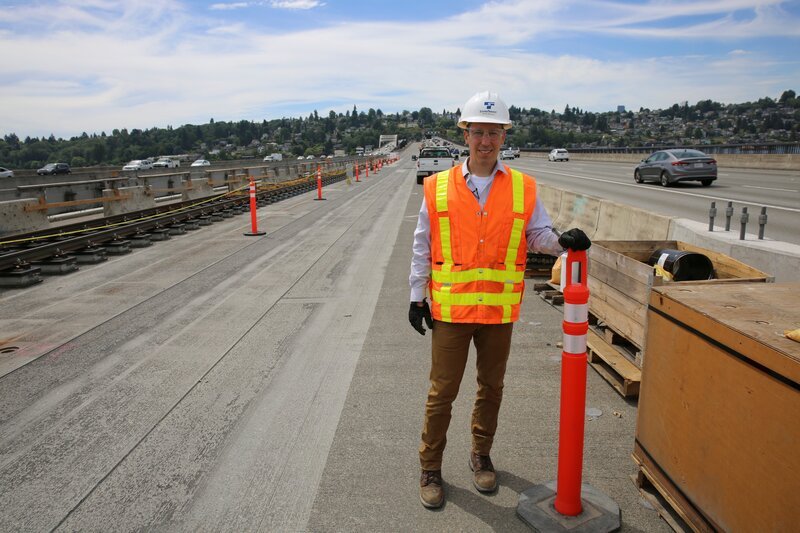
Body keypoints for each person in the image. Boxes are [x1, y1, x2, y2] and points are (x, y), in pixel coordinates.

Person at [408, 90, 591, 509]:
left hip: (497, 311)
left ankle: (481, 454)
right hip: (452, 311)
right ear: (465, 135)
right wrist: (417, 297)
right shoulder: (437, 187)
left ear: (504, 136)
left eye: (494, 133)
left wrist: (562, 242)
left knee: (491, 388)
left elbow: (536, 235)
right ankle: (430, 466)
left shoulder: (523, 188)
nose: (486, 141)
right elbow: (422, 245)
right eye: (478, 132)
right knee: (442, 392)